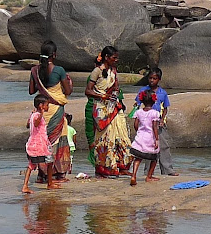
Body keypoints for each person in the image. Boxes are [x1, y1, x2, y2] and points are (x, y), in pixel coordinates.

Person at [84, 45, 133, 178]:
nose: (116, 60)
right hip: (102, 109)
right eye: (114, 58)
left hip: (114, 107)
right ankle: (106, 169)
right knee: (105, 139)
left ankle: (121, 166)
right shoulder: (97, 71)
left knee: (122, 136)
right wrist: (103, 96)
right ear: (107, 57)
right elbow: (88, 91)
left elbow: (116, 86)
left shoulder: (114, 71)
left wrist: (116, 95)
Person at [28, 40, 74, 183]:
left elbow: (31, 91)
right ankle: (58, 174)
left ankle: (42, 174)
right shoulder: (59, 70)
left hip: (42, 110)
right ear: (54, 54)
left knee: (43, 141)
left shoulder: (34, 70)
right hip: (55, 110)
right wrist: (69, 82)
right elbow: (68, 91)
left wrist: (43, 88)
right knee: (59, 140)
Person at [131, 67, 179, 176]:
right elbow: (137, 104)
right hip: (147, 124)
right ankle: (148, 172)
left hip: (158, 123)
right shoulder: (143, 90)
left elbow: (165, 108)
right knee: (147, 147)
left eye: (155, 78)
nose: (152, 80)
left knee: (164, 146)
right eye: (150, 78)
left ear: (159, 79)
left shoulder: (163, 93)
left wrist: (162, 120)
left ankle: (168, 170)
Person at [21, 95, 60, 193]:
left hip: (40, 145)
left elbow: (28, 125)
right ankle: (26, 186)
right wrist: (41, 114)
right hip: (38, 146)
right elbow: (36, 123)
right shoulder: (37, 115)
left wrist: (34, 115)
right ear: (41, 106)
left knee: (48, 161)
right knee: (35, 164)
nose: (48, 107)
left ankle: (49, 183)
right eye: (47, 105)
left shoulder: (33, 115)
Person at [128, 89, 160, 186]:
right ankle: (149, 176)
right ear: (154, 101)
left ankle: (133, 175)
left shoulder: (139, 112)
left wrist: (139, 131)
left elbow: (136, 124)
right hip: (150, 137)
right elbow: (154, 127)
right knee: (154, 158)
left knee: (138, 158)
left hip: (140, 137)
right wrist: (157, 139)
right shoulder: (155, 113)